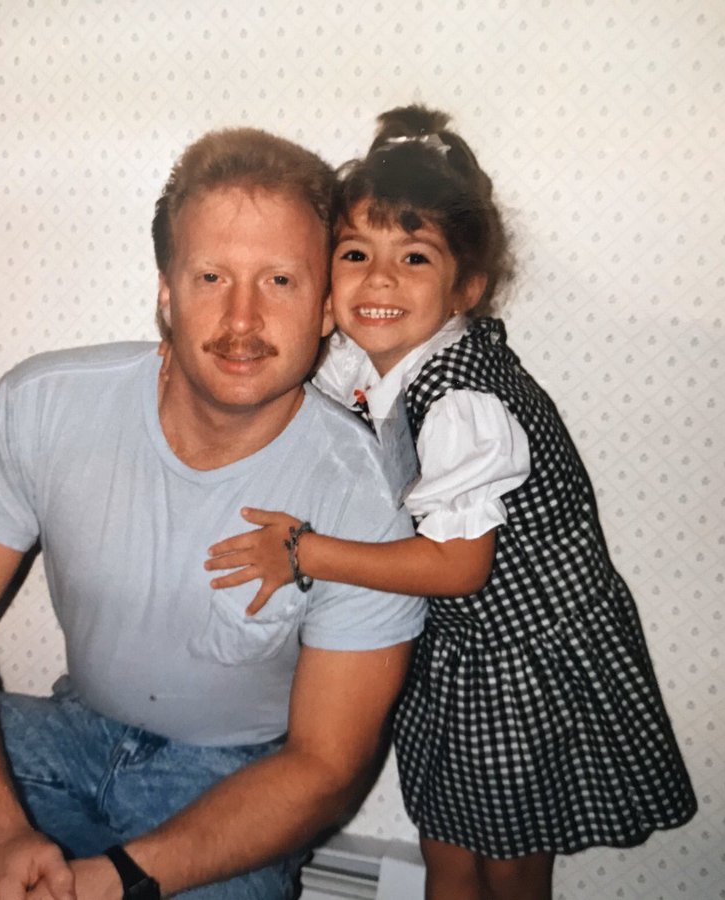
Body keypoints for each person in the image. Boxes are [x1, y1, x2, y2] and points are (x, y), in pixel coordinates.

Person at [0, 127, 427, 900]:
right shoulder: (45, 406)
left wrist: (118, 879)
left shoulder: (367, 494)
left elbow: (325, 766)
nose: (242, 320)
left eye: (279, 281)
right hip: (71, 738)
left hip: (238, 781)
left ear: (323, 308)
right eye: (211, 276)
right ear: (166, 294)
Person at [206, 105, 697, 900]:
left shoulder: (464, 398)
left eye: (415, 257)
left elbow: (459, 565)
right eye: (356, 253)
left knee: (511, 866)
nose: (380, 279)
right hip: (458, 655)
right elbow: (298, 397)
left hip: (523, 663)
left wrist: (303, 552)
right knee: (446, 849)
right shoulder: (367, 364)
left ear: (466, 287)